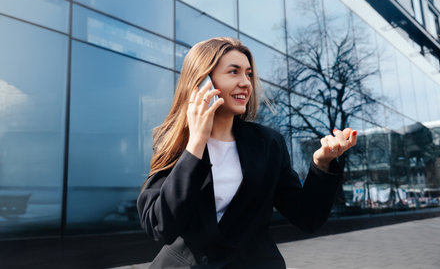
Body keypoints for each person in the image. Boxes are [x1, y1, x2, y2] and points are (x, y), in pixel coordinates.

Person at [137, 37, 357, 268]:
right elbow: (159, 226)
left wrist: (322, 164)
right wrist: (196, 144)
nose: (246, 83)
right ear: (203, 82)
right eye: (234, 72)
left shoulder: (269, 143)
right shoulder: (174, 140)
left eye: (248, 74)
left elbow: (307, 218)